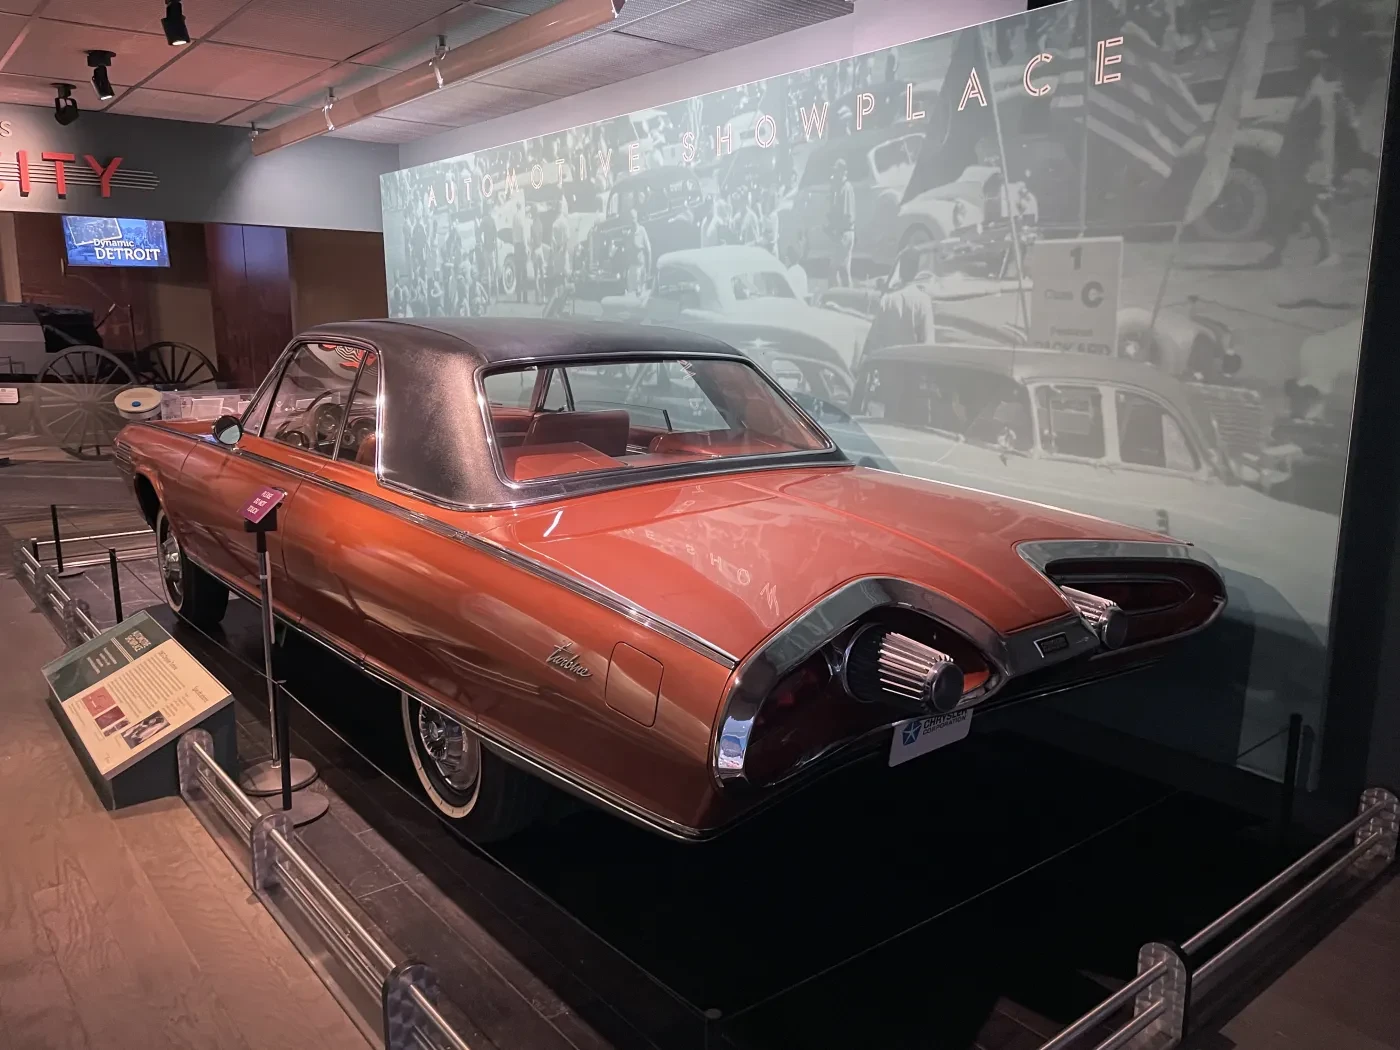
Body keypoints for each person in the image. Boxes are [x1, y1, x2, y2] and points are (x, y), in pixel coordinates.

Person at [1261, 51, 1351, 268]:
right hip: (1299, 159)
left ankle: (1327, 252)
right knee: (1291, 205)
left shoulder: (1318, 93)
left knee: (1307, 206)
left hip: (1308, 161)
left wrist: (1308, 163)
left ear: (1314, 68)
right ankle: (1279, 254)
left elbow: (1318, 130)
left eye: (1304, 65)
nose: (1299, 69)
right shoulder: (1312, 90)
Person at [860, 248, 936, 364]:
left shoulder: (887, 300)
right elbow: (928, 345)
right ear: (916, 270)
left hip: (889, 370)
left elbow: (872, 342)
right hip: (913, 370)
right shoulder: (924, 301)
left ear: (900, 269)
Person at [827, 158, 857, 288]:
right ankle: (848, 295)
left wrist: (835, 230)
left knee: (833, 270)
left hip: (844, 234)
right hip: (846, 233)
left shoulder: (845, 188)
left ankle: (835, 296)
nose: (834, 174)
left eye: (837, 171)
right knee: (844, 270)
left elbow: (846, 216)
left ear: (843, 172)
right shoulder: (841, 188)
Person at [626, 208, 651, 296]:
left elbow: (648, 250)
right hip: (632, 268)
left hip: (641, 267)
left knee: (641, 295)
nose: (632, 221)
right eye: (630, 219)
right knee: (630, 294)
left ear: (636, 218)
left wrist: (648, 270)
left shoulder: (642, 231)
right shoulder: (628, 234)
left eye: (633, 218)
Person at [479, 207, 499, 304]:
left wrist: (482, 244)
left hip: (486, 250)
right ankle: (498, 296)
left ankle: (490, 297)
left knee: (488, 274)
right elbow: (496, 237)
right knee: (494, 273)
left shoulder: (483, 221)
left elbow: (479, 234)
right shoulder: (493, 221)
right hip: (492, 250)